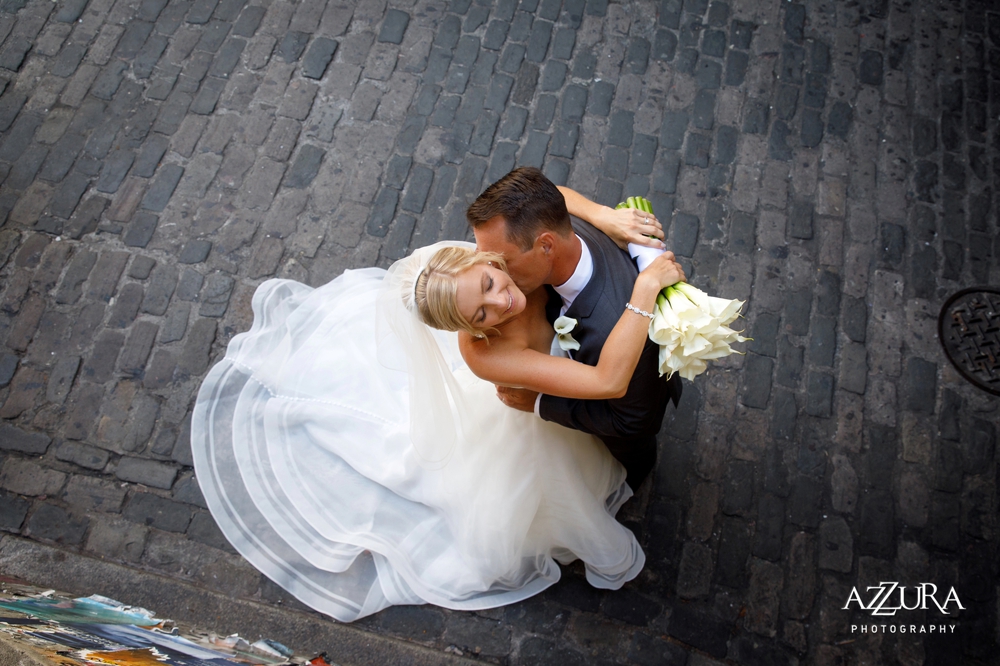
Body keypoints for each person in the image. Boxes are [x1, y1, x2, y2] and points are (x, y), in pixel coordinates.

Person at [191, 221, 684, 622]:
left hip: (562, 382)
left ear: (486, 260)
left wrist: (606, 216)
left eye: (490, 285)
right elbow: (605, 383)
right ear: (470, 330)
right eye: (482, 313)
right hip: (534, 415)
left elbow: (550, 196)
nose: (502, 302)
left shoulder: (504, 256)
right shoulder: (486, 355)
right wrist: (644, 290)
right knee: (543, 476)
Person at [467, 167, 684, 491]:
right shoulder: (555, 217)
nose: (493, 270)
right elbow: (554, 191)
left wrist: (538, 404)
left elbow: (636, 421)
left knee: (632, 465)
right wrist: (602, 213)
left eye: (502, 260)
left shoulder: (623, 330)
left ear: (546, 246)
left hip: (618, 435)